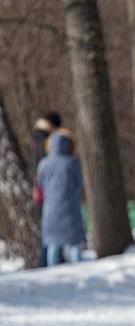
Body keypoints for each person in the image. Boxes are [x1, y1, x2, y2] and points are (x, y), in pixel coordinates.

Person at [35, 129, 85, 266]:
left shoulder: (43, 164)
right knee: (74, 243)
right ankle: (79, 271)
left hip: (50, 209)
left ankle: (52, 276)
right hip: (70, 208)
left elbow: (40, 185)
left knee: (52, 244)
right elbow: (79, 183)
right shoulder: (71, 163)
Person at [31, 111, 62, 266]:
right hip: (46, 189)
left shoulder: (36, 136)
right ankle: (45, 261)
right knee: (48, 227)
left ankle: (45, 260)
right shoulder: (45, 140)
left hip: (39, 188)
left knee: (46, 226)